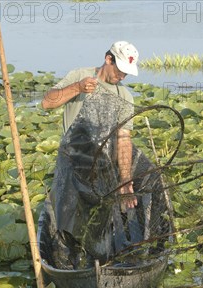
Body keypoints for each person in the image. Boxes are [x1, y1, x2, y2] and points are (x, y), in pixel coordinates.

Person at [42, 41, 139, 209]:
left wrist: (125, 180)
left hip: (102, 169)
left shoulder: (125, 97)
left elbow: (123, 139)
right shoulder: (79, 75)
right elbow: (47, 103)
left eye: (126, 73)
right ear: (108, 59)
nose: (122, 77)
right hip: (71, 163)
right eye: (120, 71)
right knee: (61, 214)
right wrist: (77, 88)